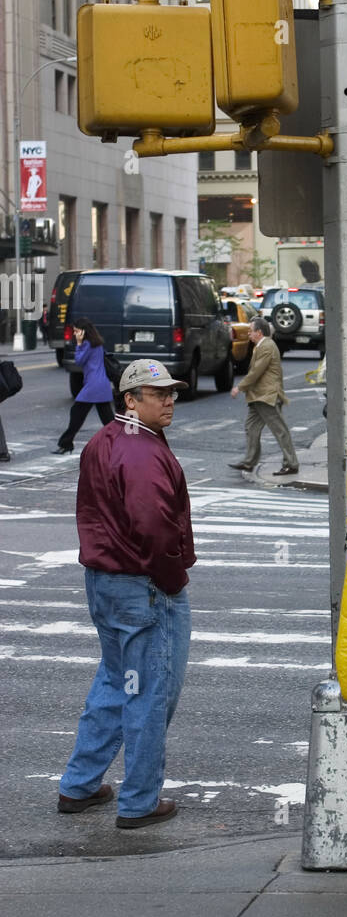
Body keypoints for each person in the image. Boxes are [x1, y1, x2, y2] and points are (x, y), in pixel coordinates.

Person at [57, 358, 194, 828]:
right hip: (144, 586)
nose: (169, 400)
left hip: (106, 581)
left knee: (118, 683)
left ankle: (79, 785)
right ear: (130, 399)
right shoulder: (141, 450)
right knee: (149, 693)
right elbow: (153, 526)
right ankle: (138, 802)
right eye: (158, 394)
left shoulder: (105, 440)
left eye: (171, 392)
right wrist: (173, 580)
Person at [229, 317, 299, 476]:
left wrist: (239, 387)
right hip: (258, 396)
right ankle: (249, 462)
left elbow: (256, 372)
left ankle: (291, 464)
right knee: (251, 427)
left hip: (267, 396)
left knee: (280, 430)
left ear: (259, 332)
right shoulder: (260, 346)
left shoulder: (267, 346)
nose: (248, 334)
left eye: (250, 331)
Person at [54, 318, 114, 454]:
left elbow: (79, 361)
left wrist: (79, 344)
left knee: (76, 413)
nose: (75, 334)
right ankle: (121, 443)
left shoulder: (86, 344)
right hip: (101, 385)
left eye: (76, 331)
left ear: (83, 332)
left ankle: (66, 443)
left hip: (93, 386)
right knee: (108, 421)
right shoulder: (97, 343)